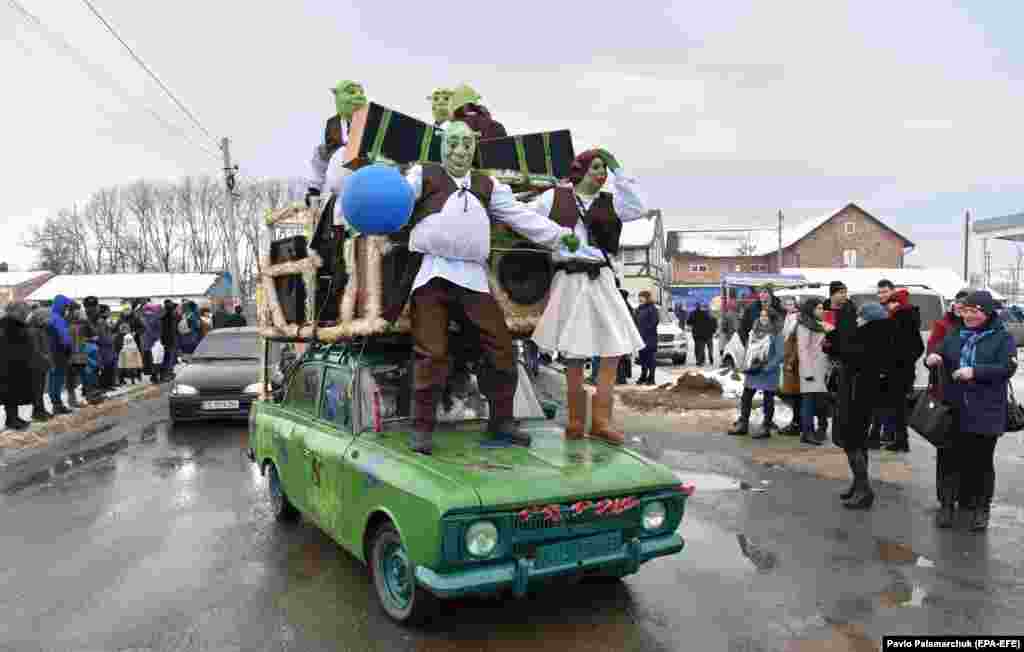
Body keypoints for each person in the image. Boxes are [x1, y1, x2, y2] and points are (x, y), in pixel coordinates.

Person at [377, 120, 576, 454]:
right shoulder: (422, 175)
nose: (460, 150)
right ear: (443, 146)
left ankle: (502, 421)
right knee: (432, 351)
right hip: (432, 273)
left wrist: (558, 235)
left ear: (475, 147)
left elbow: (520, 215)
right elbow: (394, 202)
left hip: (472, 277)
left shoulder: (488, 185)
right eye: (453, 143)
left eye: (467, 144)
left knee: (501, 347)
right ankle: (422, 428)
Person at [529, 148, 648, 445]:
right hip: (569, 279)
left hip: (602, 278)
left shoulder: (613, 203)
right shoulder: (554, 198)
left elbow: (639, 207)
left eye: (603, 169)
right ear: (579, 169)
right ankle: (575, 422)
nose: (601, 173)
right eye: (596, 167)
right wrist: (552, 238)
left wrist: (619, 168)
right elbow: (524, 220)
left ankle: (602, 422)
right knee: (573, 355)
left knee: (611, 352)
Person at [925, 291, 1013, 531]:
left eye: (975, 311)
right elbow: (939, 351)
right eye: (966, 311)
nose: (969, 316)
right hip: (952, 408)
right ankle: (946, 505)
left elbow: (1006, 367)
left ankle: (980, 508)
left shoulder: (1001, 337)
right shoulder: (956, 333)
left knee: (980, 462)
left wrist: (975, 371)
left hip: (985, 409)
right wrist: (932, 357)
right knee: (947, 458)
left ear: (987, 313)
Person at [827, 301, 896, 510]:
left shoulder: (870, 338)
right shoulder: (877, 335)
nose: (857, 319)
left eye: (860, 316)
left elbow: (851, 359)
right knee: (857, 443)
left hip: (858, 398)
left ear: (868, 319)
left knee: (852, 442)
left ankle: (864, 490)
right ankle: (858, 485)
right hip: (859, 395)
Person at [306, 80, 367, 209]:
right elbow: (321, 158)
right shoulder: (332, 125)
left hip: (367, 191)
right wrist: (314, 189)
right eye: (351, 92)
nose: (358, 96)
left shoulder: (372, 122)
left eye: (361, 92)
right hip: (338, 194)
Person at [880, 286, 924, 452]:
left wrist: (895, 363)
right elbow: (918, 347)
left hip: (895, 372)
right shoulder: (910, 319)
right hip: (905, 372)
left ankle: (900, 441)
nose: (888, 306)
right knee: (899, 407)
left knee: (896, 407)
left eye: (891, 303)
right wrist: (908, 361)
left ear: (896, 303)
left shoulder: (897, 319)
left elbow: (890, 347)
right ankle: (900, 440)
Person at [729, 308, 783, 438]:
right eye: (761, 315)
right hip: (753, 370)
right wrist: (745, 364)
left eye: (766, 316)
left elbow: (780, 354)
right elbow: (748, 350)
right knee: (746, 396)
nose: (763, 318)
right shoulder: (753, 332)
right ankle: (743, 424)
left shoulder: (776, 334)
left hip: (768, 371)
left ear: (772, 319)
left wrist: (768, 367)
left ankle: (766, 427)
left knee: (768, 399)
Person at [796, 298, 830, 445]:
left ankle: (819, 429)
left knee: (820, 402)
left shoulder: (819, 325)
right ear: (811, 309)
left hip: (820, 368)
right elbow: (802, 350)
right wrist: (807, 372)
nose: (821, 311)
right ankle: (807, 432)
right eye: (819, 308)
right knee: (808, 402)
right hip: (810, 369)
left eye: (822, 308)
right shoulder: (804, 326)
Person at [1, 302, 35, 430]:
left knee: (14, 393)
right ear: (13, 311)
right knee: (10, 393)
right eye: (21, 311)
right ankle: (12, 420)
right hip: (9, 365)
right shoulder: (8, 325)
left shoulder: (14, 324)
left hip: (15, 363)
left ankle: (14, 418)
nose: (24, 314)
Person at [778, 296, 803, 436]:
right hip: (787, 358)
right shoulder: (787, 317)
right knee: (792, 394)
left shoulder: (796, 318)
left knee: (796, 394)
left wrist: (791, 360)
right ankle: (796, 422)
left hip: (793, 361)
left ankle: (797, 423)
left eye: (791, 304)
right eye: (787, 304)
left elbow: (795, 341)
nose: (789, 306)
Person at [46, 295, 74, 415]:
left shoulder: (50, 317)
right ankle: (57, 404)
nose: (66, 310)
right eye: (66, 307)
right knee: (58, 378)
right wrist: (68, 348)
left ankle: (55, 403)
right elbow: (65, 338)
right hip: (59, 352)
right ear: (61, 306)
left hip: (50, 351)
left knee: (53, 378)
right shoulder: (58, 319)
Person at [26, 306, 53, 422]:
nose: (47, 320)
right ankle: (38, 412)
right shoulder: (33, 331)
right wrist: (46, 357)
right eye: (45, 318)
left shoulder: (40, 329)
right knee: (37, 389)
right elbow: (36, 349)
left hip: (40, 363)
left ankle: (39, 410)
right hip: (36, 364)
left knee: (40, 389)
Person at [635, 291, 659, 385]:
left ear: (647, 298)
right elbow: (635, 322)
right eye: (639, 297)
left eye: (642, 297)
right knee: (643, 358)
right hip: (640, 338)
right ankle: (643, 375)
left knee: (650, 358)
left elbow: (654, 322)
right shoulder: (638, 309)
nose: (640, 299)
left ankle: (652, 377)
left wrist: (645, 331)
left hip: (650, 337)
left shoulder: (652, 308)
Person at [159, 300, 179, 383]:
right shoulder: (169, 317)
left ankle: (169, 373)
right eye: (174, 308)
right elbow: (170, 330)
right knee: (168, 358)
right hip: (169, 341)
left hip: (168, 340)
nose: (176, 310)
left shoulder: (167, 316)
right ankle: (165, 375)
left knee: (169, 358)